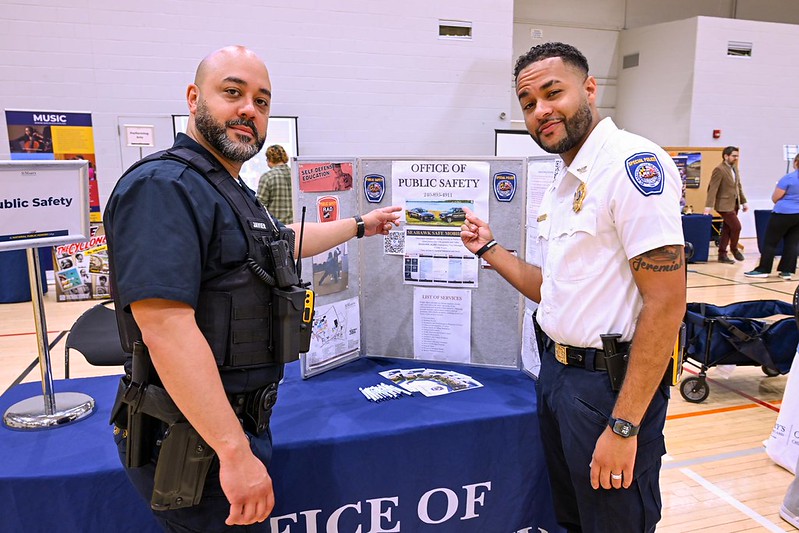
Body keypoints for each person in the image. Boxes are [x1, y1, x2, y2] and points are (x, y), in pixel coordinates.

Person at [103, 45, 400, 531]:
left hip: (229, 424)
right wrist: (234, 454)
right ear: (194, 97)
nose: (250, 110)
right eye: (233, 93)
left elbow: (279, 242)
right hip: (193, 438)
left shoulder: (227, 188)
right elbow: (165, 328)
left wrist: (362, 225)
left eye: (262, 102)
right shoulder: (164, 186)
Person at [459, 42, 685, 532]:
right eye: (528, 103)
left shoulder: (630, 166)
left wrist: (624, 426)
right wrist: (490, 250)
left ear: (588, 88)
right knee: (573, 520)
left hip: (610, 388)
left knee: (615, 522)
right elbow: (555, 291)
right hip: (557, 377)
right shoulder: (563, 181)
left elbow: (666, 303)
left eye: (552, 92)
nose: (541, 111)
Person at [745, 153, 799, 280]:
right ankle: (787, 271)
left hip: (783, 214)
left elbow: (775, 197)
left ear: (796, 162)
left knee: (770, 242)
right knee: (792, 243)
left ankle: (763, 269)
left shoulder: (788, 178)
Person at [704, 146, 749, 263]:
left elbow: (738, 186)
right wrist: (708, 206)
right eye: (734, 156)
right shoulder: (719, 169)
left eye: (737, 156)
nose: (736, 158)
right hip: (723, 204)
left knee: (727, 229)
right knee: (736, 227)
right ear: (726, 156)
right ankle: (734, 248)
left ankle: (722, 254)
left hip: (734, 203)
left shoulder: (734, 168)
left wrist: (744, 202)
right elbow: (712, 188)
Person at [256, 144, 293, 224]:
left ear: (269, 159)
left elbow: (259, 207)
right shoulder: (296, 175)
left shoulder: (267, 177)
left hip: (276, 228)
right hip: (296, 227)